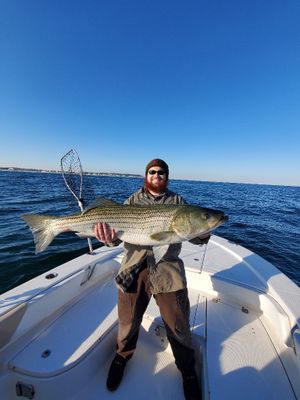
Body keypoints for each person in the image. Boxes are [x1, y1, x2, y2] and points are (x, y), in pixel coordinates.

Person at [94, 159, 210, 400]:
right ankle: (122, 357)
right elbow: (116, 239)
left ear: (167, 176)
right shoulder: (132, 202)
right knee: (127, 322)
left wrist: (205, 230)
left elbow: (195, 235)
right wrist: (108, 238)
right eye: (152, 171)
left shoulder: (179, 204)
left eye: (162, 172)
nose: (157, 175)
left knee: (178, 326)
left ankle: (188, 371)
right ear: (146, 175)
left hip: (167, 270)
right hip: (132, 269)